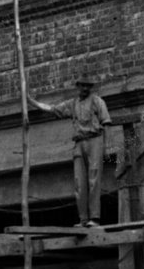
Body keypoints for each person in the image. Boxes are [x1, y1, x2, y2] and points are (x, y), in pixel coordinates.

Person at [35, 76, 111, 226]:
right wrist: (33, 102)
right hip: (79, 143)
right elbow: (53, 109)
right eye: (82, 85)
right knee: (79, 183)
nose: (85, 88)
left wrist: (106, 148)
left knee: (94, 179)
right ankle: (83, 219)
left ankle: (94, 218)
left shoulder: (97, 101)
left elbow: (106, 123)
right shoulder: (73, 103)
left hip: (95, 140)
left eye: (88, 86)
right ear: (78, 86)